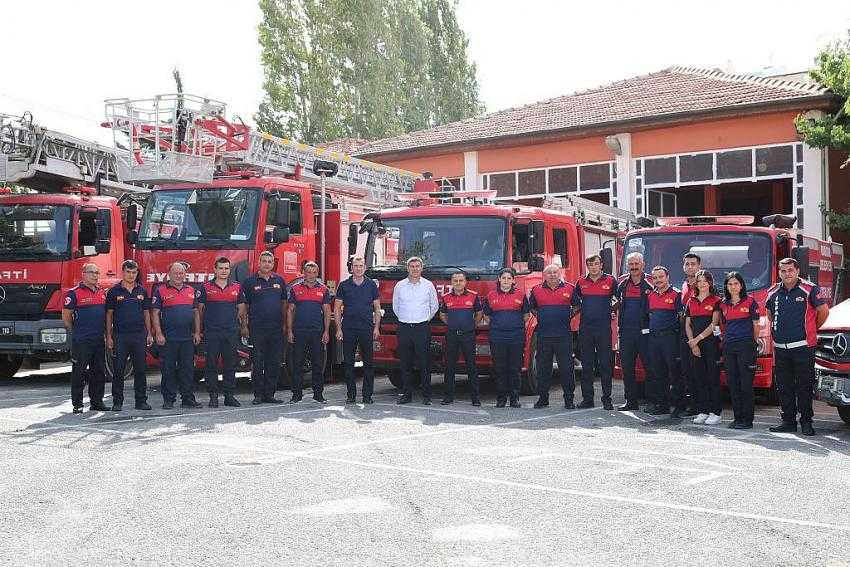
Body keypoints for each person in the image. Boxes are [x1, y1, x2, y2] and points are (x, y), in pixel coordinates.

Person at [766, 258, 830, 436]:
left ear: (797, 270)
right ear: (779, 272)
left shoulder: (809, 289)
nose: (787, 273)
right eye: (783, 270)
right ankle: (788, 421)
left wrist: (811, 329)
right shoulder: (772, 291)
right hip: (780, 348)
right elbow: (770, 315)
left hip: (803, 347)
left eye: (790, 270)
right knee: (784, 387)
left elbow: (823, 312)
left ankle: (806, 422)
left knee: (804, 387)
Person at [151, 261, 202, 409]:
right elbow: (155, 313)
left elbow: (196, 313)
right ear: (169, 274)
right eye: (176, 273)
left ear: (185, 274)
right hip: (168, 339)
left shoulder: (191, 290)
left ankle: (188, 399)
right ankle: (169, 400)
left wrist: (197, 332)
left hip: (187, 338)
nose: (179, 276)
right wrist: (158, 334)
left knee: (187, 370)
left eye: (181, 273)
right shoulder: (160, 291)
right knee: (168, 370)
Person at [240, 251, 288, 405]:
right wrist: (244, 326)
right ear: (259, 263)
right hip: (256, 329)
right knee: (258, 363)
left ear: (273, 264)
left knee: (273, 363)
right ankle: (258, 395)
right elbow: (244, 308)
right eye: (264, 261)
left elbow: (284, 305)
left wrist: (286, 325)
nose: (267, 264)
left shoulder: (280, 281)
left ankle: (270, 394)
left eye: (270, 261)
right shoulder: (249, 282)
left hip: (275, 329)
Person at [529, 264, 578, 409]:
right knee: (543, 369)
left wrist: (567, 316)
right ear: (544, 275)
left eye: (555, 272)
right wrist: (542, 317)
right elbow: (532, 307)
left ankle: (569, 400)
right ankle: (543, 399)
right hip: (544, 336)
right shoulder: (536, 290)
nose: (552, 275)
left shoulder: (570, 288)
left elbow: (577, 306)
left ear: (560, 273)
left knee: (567, 369)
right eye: (549, 273)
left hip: (563, 336)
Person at [105, 260, 153, 412]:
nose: (131, 275)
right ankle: (117, 402)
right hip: (120, 336)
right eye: (128, 272)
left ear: (137, 273)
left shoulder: (142, 291)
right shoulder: (114, 292)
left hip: (139, 335)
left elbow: (147, 313)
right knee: (118, 370)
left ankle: (141, 401)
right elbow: (109, 315)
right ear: (123, 272)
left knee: (140, 370)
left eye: (134, 272)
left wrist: (149, 333)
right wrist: (109, 336)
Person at [62, 263, 110, 414]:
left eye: (97, 272)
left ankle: (96, 402)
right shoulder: (73, 293)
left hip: (98, 340)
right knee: (79, 372)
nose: (95, 275)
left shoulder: (102, 292)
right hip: (81, 341)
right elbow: (66, 317)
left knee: (98, 372)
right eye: (91, 272)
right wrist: (76, 332)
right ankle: (77, 404)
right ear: (83, 274)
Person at [392, 256, 439, 405]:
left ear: (421, 268)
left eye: (417, 266)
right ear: (407, 269)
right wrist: (406, 319)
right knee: (405, 364)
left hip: (422, 328)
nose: (415, 269)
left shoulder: (428, 285)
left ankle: (427, 396)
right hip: (404, 327)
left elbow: (434, 306)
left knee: (425, 363)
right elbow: (396, 307)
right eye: (412, 266)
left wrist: (423, 319)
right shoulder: (399, 286)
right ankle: (407, 395)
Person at [335, 256, 381, 404]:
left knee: (368, 363)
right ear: (351, 268)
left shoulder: (371, 285)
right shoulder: (343, 285)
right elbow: (336, 308)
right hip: (348, 328)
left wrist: (376, 328)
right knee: (348, 363)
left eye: (361, 266)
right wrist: (338, 328)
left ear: (365, 268)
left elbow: (377, 308)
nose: (359, 268)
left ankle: (367, 395)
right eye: (356, 266)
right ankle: (351, 395)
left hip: (367, 329)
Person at [198, 257, 243, 408]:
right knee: (211, 364)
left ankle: (229, 396)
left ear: (229, 270)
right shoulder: (205, 288)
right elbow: (200, 310)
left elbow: (241, 309)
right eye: (221, 268)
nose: (224, 271)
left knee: (230, 364)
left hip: (230, 332)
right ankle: (213, 396)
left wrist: (238, 325)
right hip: (212, 332)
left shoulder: (237, 287)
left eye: (226, 268)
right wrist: (202, 329)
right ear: (215, 270)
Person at [573, 255, 617, 410]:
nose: (593, 267)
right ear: (587, 266)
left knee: (605, 364)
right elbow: (575, 302)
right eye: (590, 264)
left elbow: (619, 299)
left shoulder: (611, 281)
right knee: (587, 366)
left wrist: (612, 310)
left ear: (601, 265)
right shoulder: (580, 282)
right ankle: (588, 399)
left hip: (604, 328)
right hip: (586, 329)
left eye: (596, 264)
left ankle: (607, 399)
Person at [483, 268, 530, 408]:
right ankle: (501, 398)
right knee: (500, 369)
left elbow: (526, 316)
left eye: (509, 278)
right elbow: (486, 316)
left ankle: (514, 398)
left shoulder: (521, 295)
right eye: (503, 278)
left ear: (513, 280)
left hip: (516, 337)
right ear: (499, 279)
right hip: (497, 337)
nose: (506, 281)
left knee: (515, 369)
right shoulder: (491, 295)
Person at [719, 271, 760, 429]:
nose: (733, 287)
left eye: (736, 283)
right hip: (729, 347)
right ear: (726, 287)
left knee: (746, 384)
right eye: (730, 284)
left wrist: (753, 344)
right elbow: (722, 325)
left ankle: (747, 420)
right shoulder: (723, 304)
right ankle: (737, 418)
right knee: (733, 383)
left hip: (746, 347)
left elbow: (756, 325)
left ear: (741, 285)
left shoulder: (750, 302)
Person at [287, 261, 332, 404]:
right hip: (299, 331)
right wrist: (289, 330)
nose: (311, 275)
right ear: (303, 273)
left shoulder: (324, 290)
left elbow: (326, 311)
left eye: (314, 272)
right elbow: (290, 310)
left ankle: (318, 394)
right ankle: (296, 395)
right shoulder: (295, 289)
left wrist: (326, 331)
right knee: (297, 364)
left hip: (317, 332)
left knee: (318, 364)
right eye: (308, 272)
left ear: (317, 273)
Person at [614, 252, 653, 411]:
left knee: (650, 368)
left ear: (643, 264)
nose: (634, 267)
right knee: (627, 369)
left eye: (637, 264)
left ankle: (653, 402)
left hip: (645, 334)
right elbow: (615, 303)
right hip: (626, 333)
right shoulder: (622, 285)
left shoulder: (651, 283)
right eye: (631, 264)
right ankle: (631, 402)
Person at [439, 270, 483, 406]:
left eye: (461, 280)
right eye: (455, 281)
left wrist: (470, 325)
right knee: (449, 366)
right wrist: (453, 325)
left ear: (465, 282)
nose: (458, 283)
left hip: (468, 335)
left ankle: (475, 398)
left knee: (471, 366)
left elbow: (479, 314)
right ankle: (448, 397)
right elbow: (442, 315)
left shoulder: (473, 296)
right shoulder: (445, 297)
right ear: (451, 282)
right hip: (452, 335)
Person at [685, 269, 722, 425]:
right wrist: (693, 342)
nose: (701, 284)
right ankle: (703, 410)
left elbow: (714, 324)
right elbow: (687, 324)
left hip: (710, 344)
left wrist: (698, 339)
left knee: (712, 377)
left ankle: (716, 412)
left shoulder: (716, 301)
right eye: (699, 281)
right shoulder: (691, 301)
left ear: (710, 283)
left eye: (704, 281)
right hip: (695, 345)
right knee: (699, 378)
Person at [645, 266, 682, 415]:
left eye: (661, 277)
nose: (658, 280)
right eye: (655, 278)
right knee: (658, 373)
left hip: (670, 338)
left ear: (667, 277)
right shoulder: (651, 295)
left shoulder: (676, 294)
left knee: (675, 373)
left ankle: (679, 406)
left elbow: (681, 318)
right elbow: (650, 316)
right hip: (654, 339)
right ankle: (662, 405)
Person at [678, 252, 702, 416]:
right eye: (687, 264)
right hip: (684, 333)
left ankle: (700, 406)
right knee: (687, 371)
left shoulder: (703, 285)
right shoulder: (684, 285)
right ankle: (692, 404)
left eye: (693, 264)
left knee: (699, 371)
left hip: (699, 333)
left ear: (699, 266)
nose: (690, 266)